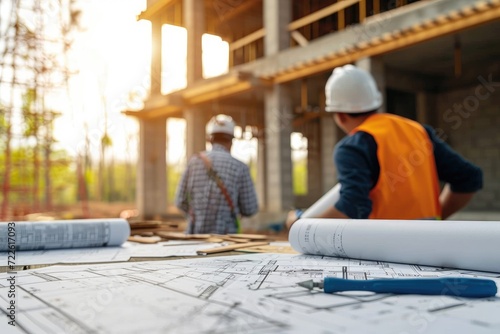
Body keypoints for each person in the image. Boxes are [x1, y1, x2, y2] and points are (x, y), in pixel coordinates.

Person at [287, 64, 482, 227]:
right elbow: (469, 178)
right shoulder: (420, 132)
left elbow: (353, 207)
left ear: (339, 115)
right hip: (429, 246)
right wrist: (435, 219)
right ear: (375, 103)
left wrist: (301, 225)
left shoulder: (352, 147)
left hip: (383, 253)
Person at [175, 114, 258, 234]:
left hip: (194, 238)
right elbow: (250, 209)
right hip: (226, 240)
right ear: (231, 140)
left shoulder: (193, 162)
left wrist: (196, 216)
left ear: (210, 139)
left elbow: (180, 201)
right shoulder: (240, 168)